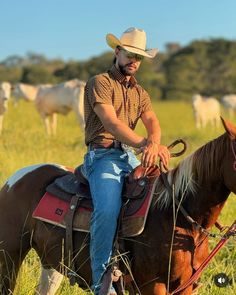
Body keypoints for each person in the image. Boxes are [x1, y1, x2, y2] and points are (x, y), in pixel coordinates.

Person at [82, 27, 170, 295]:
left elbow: (152, 120)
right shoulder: (100, 82)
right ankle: (101, 283)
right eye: (130, 54)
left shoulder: (140, 92)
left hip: (127, 156)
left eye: (139, 57)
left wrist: (154, 142)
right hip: (103, 155)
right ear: (117, 52)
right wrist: (145, 143)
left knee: (164, 193)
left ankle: (146, 269)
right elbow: (111, 122)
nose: (134, 61)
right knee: (107, 211)